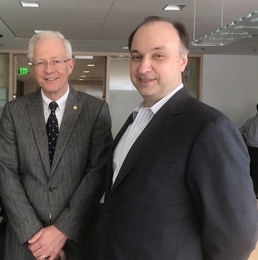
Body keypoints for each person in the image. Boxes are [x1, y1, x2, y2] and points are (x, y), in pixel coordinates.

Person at [98, 16, 258, 260]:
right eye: (137, 56)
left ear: (182, 61)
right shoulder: (135, 120)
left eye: (158, 55)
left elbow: (235, 241)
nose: (143, 67)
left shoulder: (209, 128)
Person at [0, 30, 112, 260]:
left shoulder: (95, 111)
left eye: (56, 61)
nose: (49, 70)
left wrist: (62, 231)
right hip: (26, 244)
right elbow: (6, 173)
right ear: (32, 68)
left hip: (75, 241)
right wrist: (35, 235)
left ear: (70, 65)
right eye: (41, 62)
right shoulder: (14, 111)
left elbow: (97, 174)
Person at [240, 104, 258, 197]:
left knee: (252, 175)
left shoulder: (250, 121)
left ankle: (252, 197)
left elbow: (239, 132)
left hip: (250, 151)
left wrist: (244, 142)